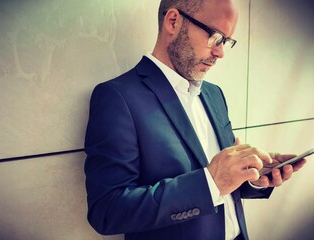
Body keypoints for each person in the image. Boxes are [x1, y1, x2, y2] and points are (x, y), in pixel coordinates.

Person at [84, 0, 306, 239]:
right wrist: (210, 182)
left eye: (226, 42)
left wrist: (253, 177)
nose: (220, 53)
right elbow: (107, 211)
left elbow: (224, 184)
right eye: (215, 37)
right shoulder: (118, 97)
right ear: (173, 21)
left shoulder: (214, 94)